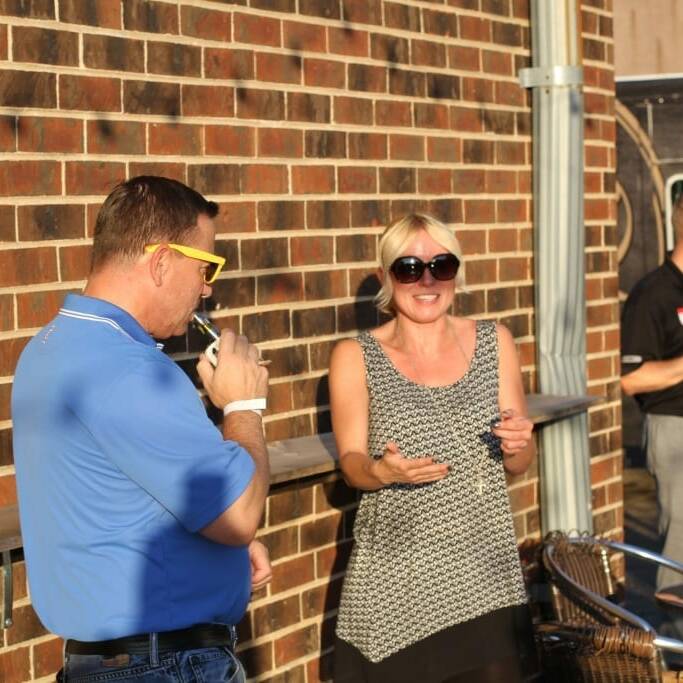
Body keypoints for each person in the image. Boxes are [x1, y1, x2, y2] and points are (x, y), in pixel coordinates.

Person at [11, 176, 271, 682]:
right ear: (160, 261)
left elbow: (110, 497)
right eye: (206, 266)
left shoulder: (47, 348)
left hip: (106, 662)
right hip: (162, 666)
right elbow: (238, 515)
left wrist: (213, 557)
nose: (206, 287)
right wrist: (244, 405)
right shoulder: (132, 370)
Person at [329, 213, 537, 683]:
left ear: (456, 273)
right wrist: (382, 473)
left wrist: (520, 442)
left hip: (484, 579)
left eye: (441, 266)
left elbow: (521, 464)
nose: (426, 280)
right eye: (409, 268)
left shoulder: (495, 342)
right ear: (386, 277)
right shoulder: (355, 356)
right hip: (397, 590)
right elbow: (352, 465)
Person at [621, 194, 683, 605]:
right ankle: (678, 655)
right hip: (674, 428)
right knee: (680, 553)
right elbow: (630, 379)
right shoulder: (652, 293)